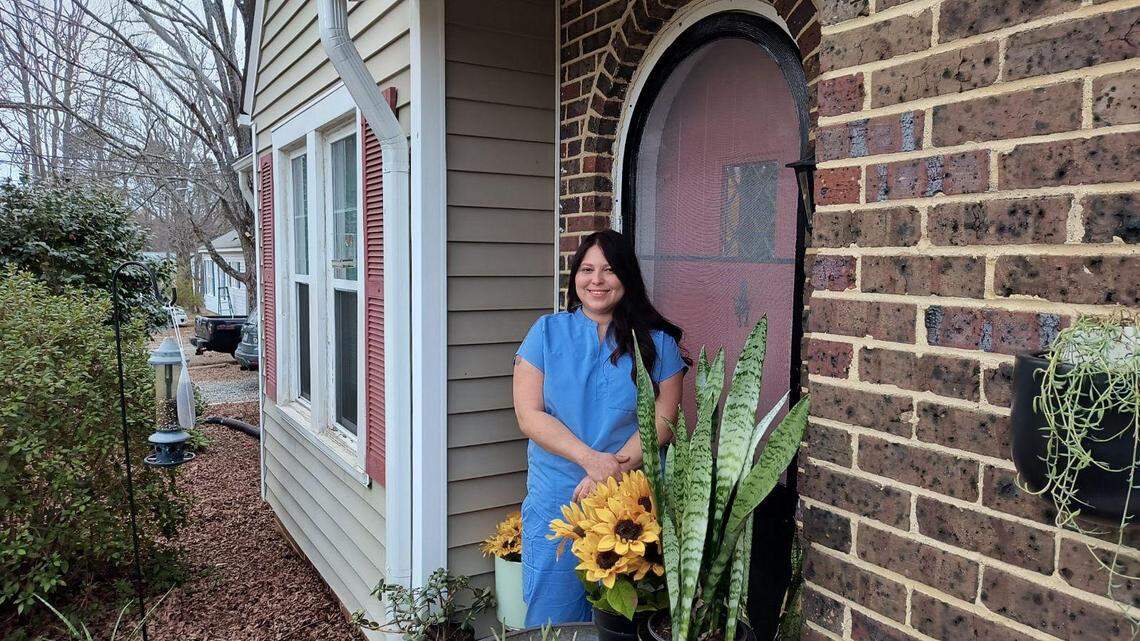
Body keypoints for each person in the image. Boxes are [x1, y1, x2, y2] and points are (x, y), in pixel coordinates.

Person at [513, 229, 688, 626]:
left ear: (626, 276)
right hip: (559, 499)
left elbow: (664, 420)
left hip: (632, 509)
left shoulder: (659, 344)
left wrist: (613, 471)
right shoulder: (545, 333)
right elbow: (529, 415)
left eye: (608, 270)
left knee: (627, 620)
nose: (596, 280)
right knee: (551, 620)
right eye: (587, 269)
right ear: (574, 276)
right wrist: (593, 462)